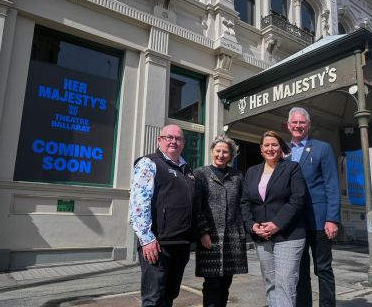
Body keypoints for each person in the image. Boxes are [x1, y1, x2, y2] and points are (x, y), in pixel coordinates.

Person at [129, 124, 197, 307]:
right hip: (158, 245)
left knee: (170, 295)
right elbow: (138, 205)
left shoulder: (186, 169)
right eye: (169, 137)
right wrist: (147, 239)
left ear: (183, 143)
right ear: (159, 140)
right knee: (153, 298)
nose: (174, 141)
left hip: (181, 244)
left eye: (178, 138)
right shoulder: (148, 163)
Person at [241, 130, 307, 307]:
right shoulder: (252, 172)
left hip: (289, 235)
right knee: (270, 282)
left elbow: (298, 199)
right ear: (261, 149)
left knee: (285, 283)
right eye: (267, 145)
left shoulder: (292, 168)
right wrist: (252, 226)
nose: (270, 148)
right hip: (261, 235)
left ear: (280, 148)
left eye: (274, 145)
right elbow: (245, 202)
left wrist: (277, 224)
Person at [287, 107, 340, 307]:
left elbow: (331, 185)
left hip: (319, 221)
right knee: (299, 271)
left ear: (308, 125)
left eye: (302, 123)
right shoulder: (282, 151)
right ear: (288, 125)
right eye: (294, 123)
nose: (298, 126)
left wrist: (332, 218)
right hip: (293, 223)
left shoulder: (322, 148)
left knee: (323, 269)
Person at [194, 135, 248, 307]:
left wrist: (244, 228)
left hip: (232, 237)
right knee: (212, 283)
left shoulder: (237, 175)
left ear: (231, 155)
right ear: (211, 152)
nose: (221, 155)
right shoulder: (200, 174)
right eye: (218, 151)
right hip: (210, 236)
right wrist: (202, 232)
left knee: (226, 283)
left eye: (225, 152)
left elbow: (243, 202)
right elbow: (197, 206)